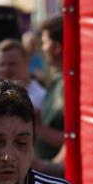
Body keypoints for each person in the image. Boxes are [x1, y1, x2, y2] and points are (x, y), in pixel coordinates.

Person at [34, 16, 65, 163]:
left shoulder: (73, 86)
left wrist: (37, 127)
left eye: (45, 42)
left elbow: (73, 139)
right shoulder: (57, 80)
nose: (43, 48)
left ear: (56, 47)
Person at [0, 38, 46, 110]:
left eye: (12, 64)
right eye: (1, 65)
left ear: (26, 63)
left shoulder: (43, 98)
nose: (6, 69)